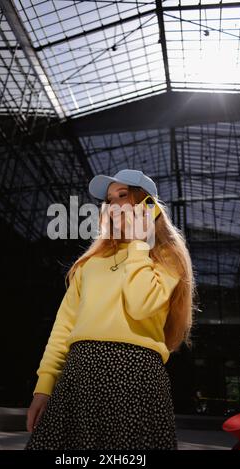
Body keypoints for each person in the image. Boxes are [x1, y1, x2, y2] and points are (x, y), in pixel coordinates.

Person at [25, 169, 197, 450]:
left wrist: (138, 244)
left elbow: (141, 306)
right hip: (79, 372)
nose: (113, 205)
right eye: (108, 200)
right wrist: (43, 388)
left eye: (122, 195)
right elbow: (64, 327)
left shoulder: (167, 257)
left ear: (147, 204)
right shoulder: (90, 262)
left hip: (136, 376)